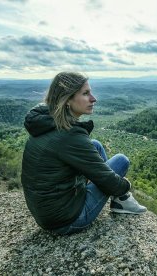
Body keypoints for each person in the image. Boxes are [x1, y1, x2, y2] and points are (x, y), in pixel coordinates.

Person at [21, 71, 146, 235]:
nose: (93, 99)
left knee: (96, 145)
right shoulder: (69, 135)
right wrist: (125, 186)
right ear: (67, 100)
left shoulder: (47, 122)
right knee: (121, 161)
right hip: (67, 220)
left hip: (47, 213)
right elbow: (108, 181)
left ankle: (120, 200)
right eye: (86, 94)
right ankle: (122, 199)